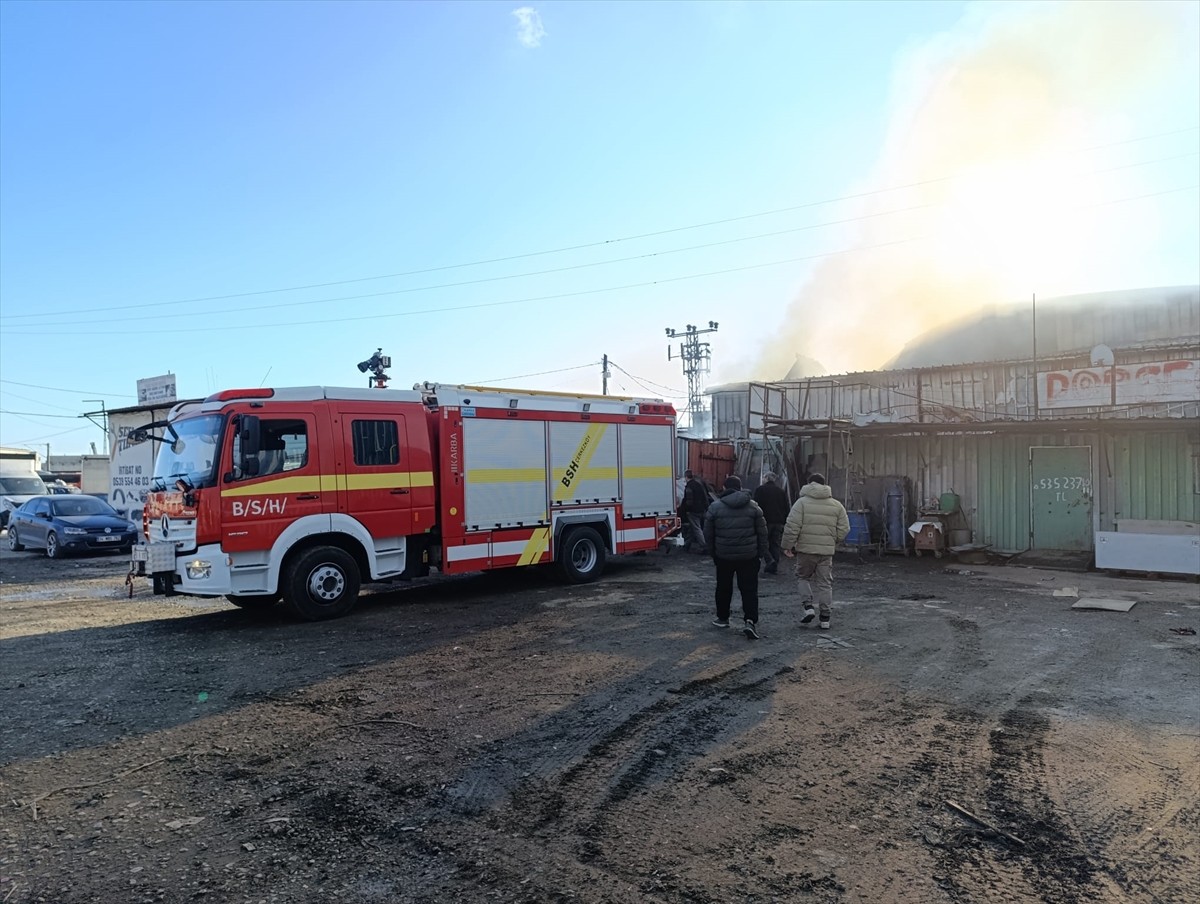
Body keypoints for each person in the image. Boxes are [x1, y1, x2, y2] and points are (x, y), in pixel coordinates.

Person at [781, 473, 850, 630]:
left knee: (802, 577)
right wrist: (833, 541)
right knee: (825, 583)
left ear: (809, 484)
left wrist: (788, 545)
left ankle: (808, 607)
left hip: (806, 550)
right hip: (826, 552)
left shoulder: (801, 503)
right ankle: (825, 619)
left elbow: (792, 526)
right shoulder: (836, 505)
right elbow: (845, 528)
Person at [704, 475, 769, 639]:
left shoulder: (715, 507)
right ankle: (750, 621)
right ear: (740, 488)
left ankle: (723, 618)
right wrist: (760, 554)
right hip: (749, 557)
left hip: (724, 556)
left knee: (723, 588)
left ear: (724, 488)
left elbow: (708, 535)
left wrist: (714, 554)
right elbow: (762, 533)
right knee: (749, 590)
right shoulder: (754, 507)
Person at [752, 472, 790, 574]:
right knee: (775, 543)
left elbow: (755, 506)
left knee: (762, 543)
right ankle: (774, 565)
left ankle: (769, 560)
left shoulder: (760, 490)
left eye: (764, 477)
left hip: (765, 521)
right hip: (778, 522)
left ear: (766, 478)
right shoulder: (781, 491)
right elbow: (787, 507)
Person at [682, 469, 710, 554]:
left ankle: (705, 546)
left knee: (697, 528)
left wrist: (685, 510)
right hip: (702, 510)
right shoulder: (699, 484)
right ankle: (686, 545)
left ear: (686, 477)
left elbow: (689, 501)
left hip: (693, 511)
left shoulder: (689, 486)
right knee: (692, 528)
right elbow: (706, 496)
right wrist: (706, 508)